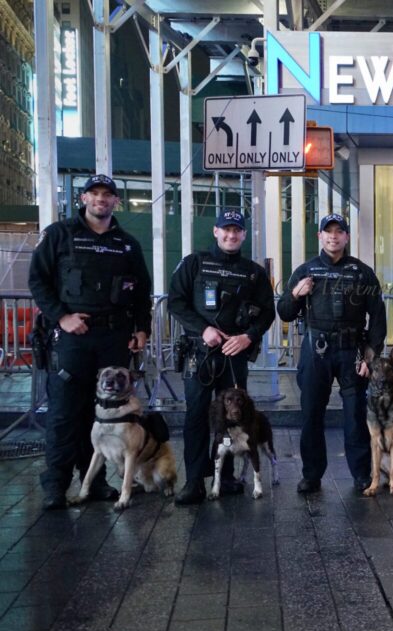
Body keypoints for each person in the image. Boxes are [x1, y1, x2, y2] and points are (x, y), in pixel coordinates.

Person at [28, 173, 153, 510]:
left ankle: (94, 482)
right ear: (83, 199)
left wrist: (143, 328)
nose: (101, 199)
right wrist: (61, 317)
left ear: (116, 201)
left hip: (113, 339)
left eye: (107, 195)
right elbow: (37, 281)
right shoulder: (59, 235)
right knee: (65, 413)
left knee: (102, 416)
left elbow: (141, 291)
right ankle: (55, 486)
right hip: (72, 339)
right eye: (94, 194)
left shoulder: (127, 243)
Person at [168, 210, 275, 505]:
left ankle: (225, 477)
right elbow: (175, 302)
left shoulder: (253, 272)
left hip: (234, 355)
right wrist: (203, 329)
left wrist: (248, 337)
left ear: (243, 235)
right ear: (215, 231)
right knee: (197, 416)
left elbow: (268, 312)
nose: (231, 235)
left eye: (237, 231)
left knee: (232, 419)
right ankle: (194, 481)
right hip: (199, 354)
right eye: (225, 230)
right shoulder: (195, 263)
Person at [277, 213, 386, 494]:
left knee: (355, 416)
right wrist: (296, 294)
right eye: (328, 232)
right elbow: (284, 312)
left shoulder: (362, 272)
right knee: (311, 414)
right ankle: (311, 475)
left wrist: (371, 355)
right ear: (320, 237)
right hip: (316, 352)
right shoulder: (305, 271)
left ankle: (362, 475)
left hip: (353, 353)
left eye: (339, 231)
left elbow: (377, 317)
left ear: (347, 237)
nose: (334, 236)